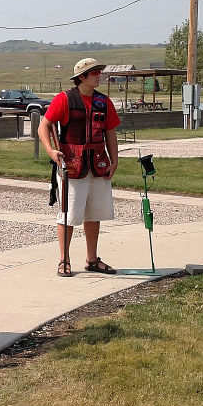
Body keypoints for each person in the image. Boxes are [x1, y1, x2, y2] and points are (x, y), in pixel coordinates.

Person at [38, 58, 120, 276]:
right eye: (94, 72)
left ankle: (92, 259)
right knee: (68, 213)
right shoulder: (63, 99)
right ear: (82, 76)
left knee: (94, 213)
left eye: (99, 71)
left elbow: (110, 132)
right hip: (71, 165)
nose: (99, 75)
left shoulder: (104, 102)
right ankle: (64, 260)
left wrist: (115, 161)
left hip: (98, 163)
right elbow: (44, 126)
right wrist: (50, 151)